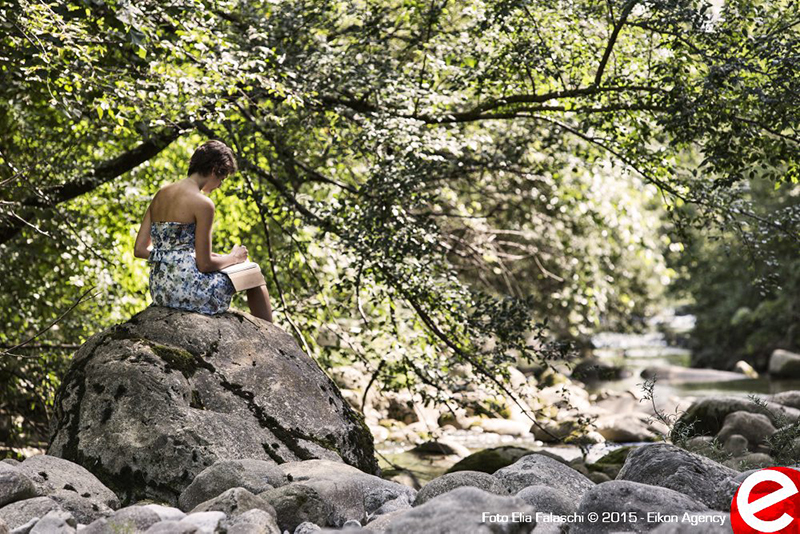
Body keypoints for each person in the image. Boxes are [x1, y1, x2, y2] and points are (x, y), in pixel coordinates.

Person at [133, 140, 273, 322]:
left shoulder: (161, 194)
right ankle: (270, 333)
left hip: (160, 290)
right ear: (215, 169)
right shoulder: (203, 204)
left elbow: (140, 249)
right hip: (189, 291)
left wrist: (172, 256)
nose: (219, 185)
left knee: (231, 264)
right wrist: (234, 258)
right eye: (222, 178)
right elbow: (204, 264)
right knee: (253, 272)